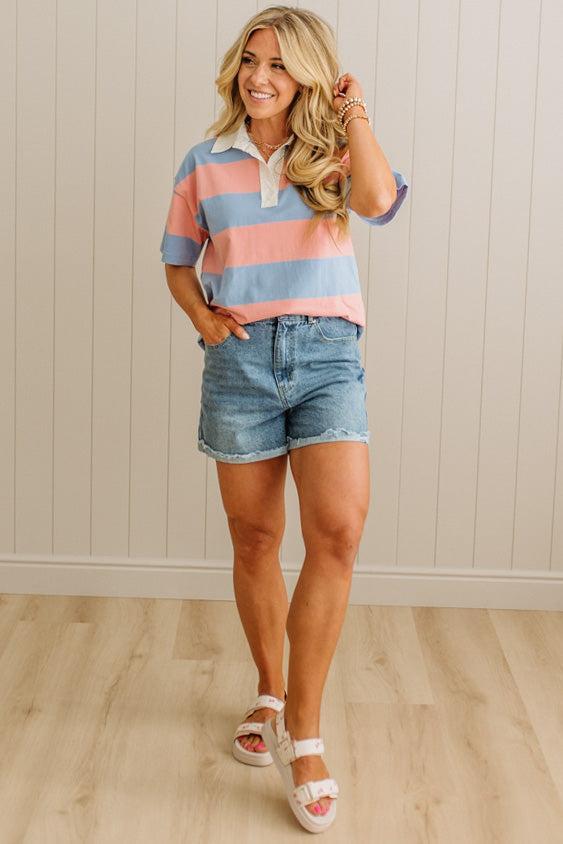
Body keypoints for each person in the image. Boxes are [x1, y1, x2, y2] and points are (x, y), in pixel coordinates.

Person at [161, 5, 408, 833]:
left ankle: (305, 735)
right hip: (238, 363)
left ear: (308, 74)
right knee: (256, 540)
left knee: (335, 534)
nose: (257, 77)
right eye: (248, 62)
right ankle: (269, 693)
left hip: (328, 355)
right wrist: (203, 319)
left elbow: (376, 202)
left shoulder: (334, 154)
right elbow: (175, 260)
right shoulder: (205, 161)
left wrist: (356, 114)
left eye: (277, 64)